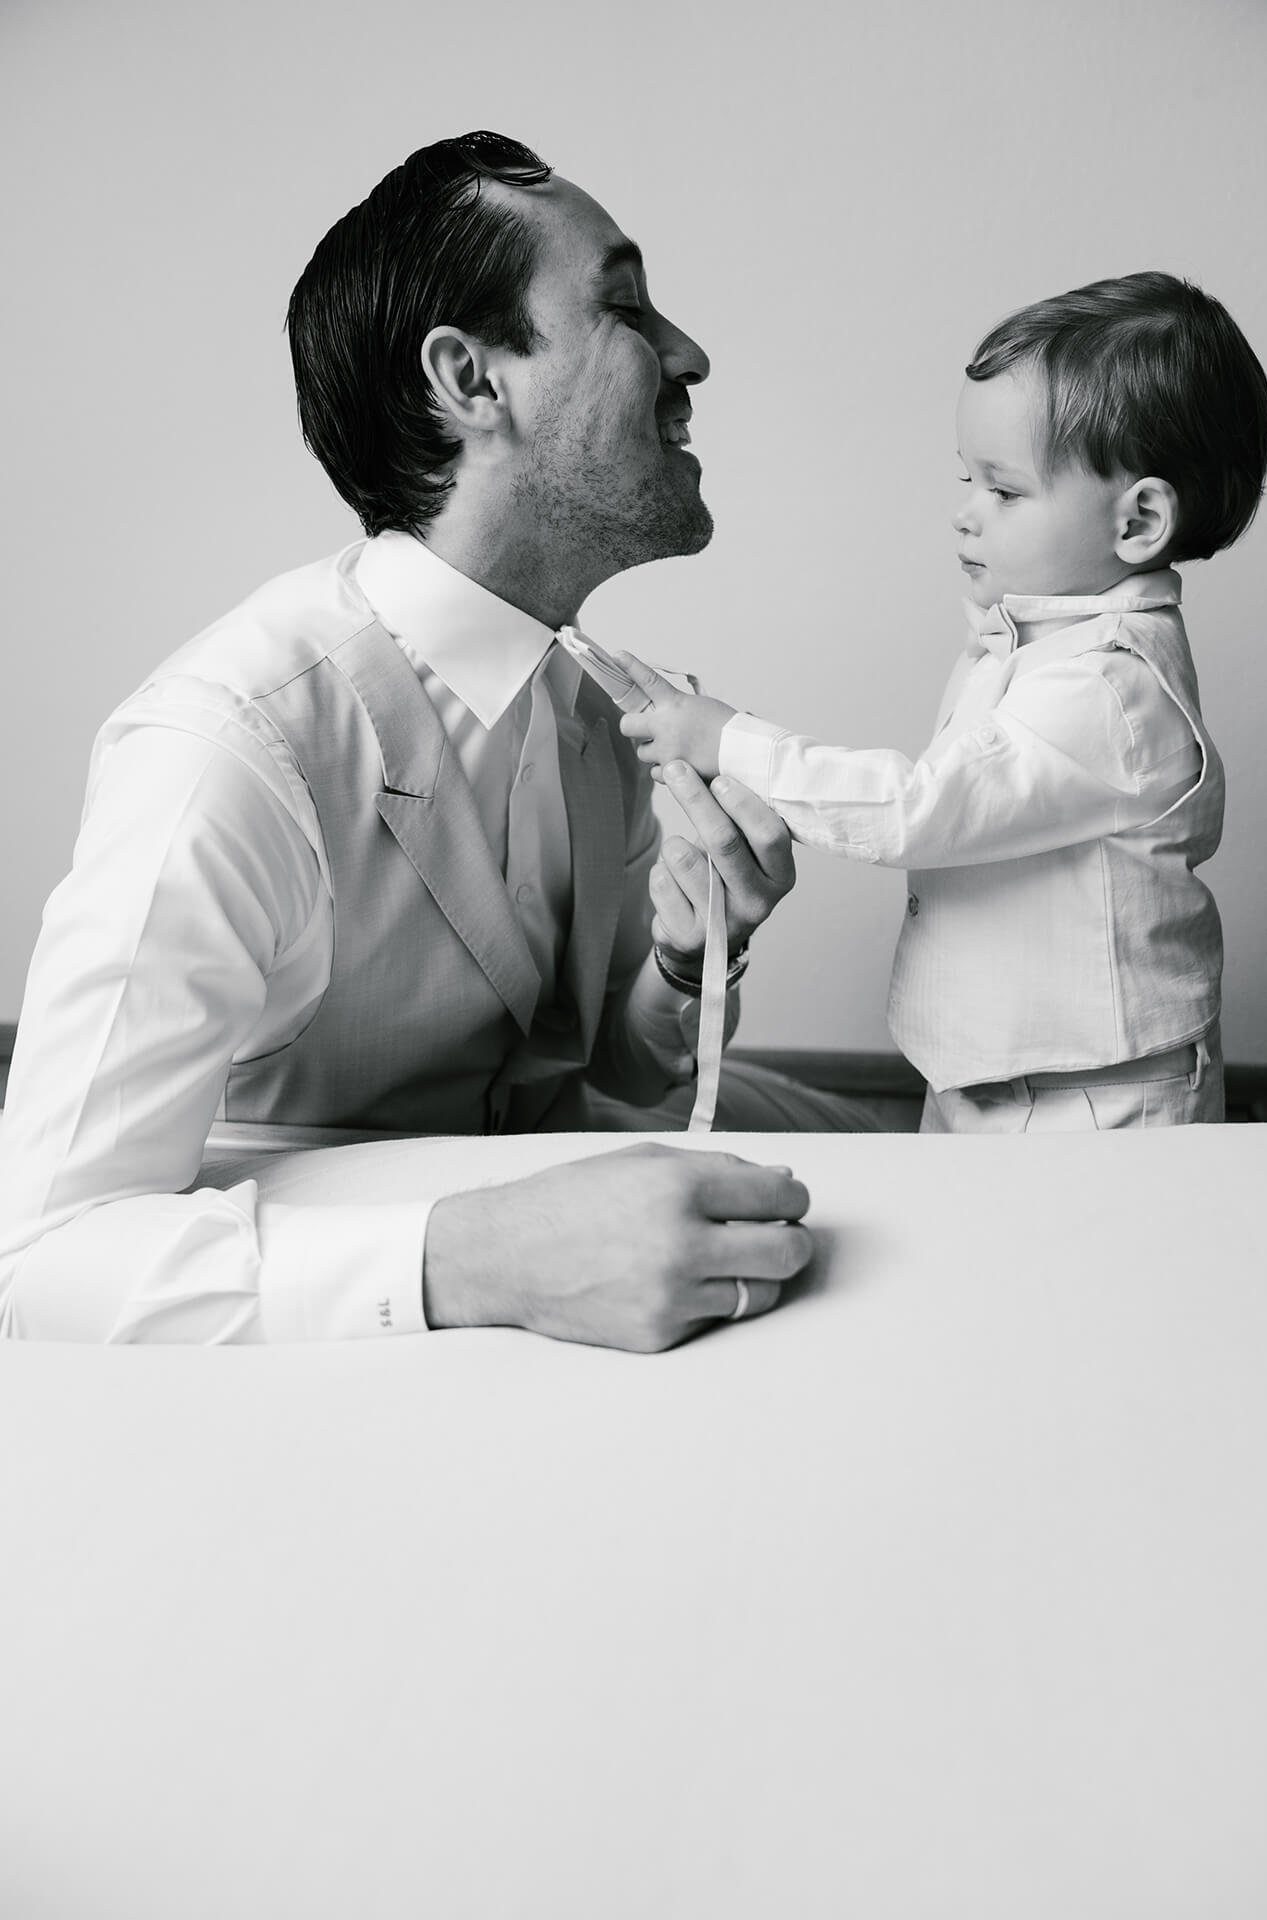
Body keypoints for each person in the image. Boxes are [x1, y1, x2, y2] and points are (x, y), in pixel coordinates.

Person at [0, 131, 876, 1346]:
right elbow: (41, 1255)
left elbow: (590, 1087)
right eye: (624, 307)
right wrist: (481, 1259)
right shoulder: (225, 751)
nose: (691, 355)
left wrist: (683, 961)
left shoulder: (601, 710)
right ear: (471, 380)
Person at [617, 272, 1267, 1132]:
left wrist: (729, 741)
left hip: (1097, 1100)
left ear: (1138, 522)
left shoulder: (1108, 690)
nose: (964, 515)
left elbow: (918, 809)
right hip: (987, 1074)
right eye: (967, 481)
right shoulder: (1033, 643)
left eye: (1003, 491)